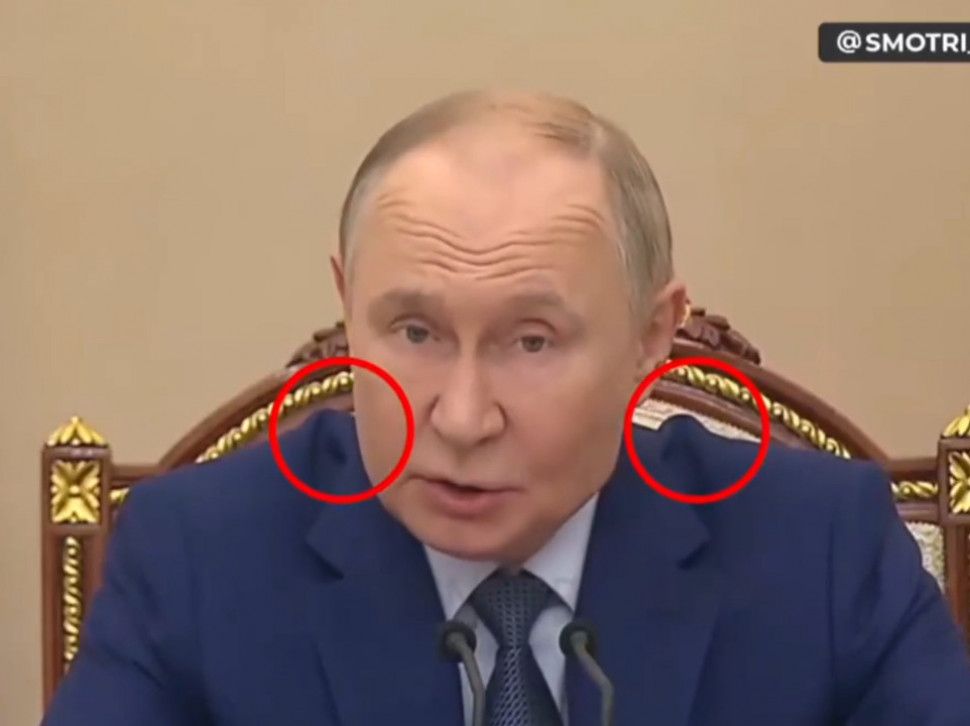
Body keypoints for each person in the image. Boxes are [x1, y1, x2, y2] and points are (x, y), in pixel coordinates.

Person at [43, 90, 970, 726]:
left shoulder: (822, 551)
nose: (461, 419)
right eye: (414, 332)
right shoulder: (195, 561)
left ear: (651, 336)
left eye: (532, 342)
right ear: (347, 304)